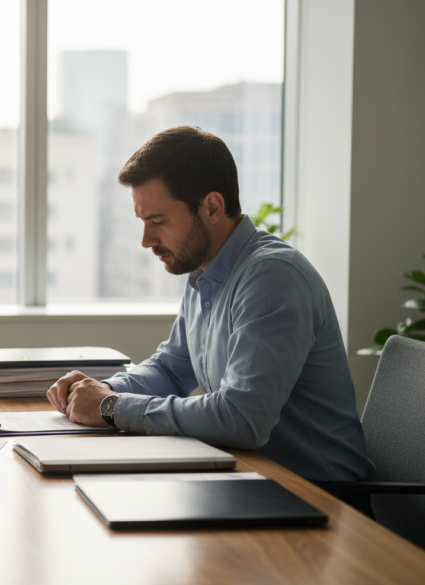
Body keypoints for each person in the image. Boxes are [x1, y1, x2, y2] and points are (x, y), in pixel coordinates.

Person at [47, 126, 375, 495]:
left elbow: (241, 420)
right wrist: (99, 390)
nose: (146, 241)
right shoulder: (206, 270)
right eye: (142, 222)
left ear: (212, 207)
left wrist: (111, 407)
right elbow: (172, 369)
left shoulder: (272, 278)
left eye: (158, 221)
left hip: (320, 499)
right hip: (250, 481)